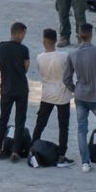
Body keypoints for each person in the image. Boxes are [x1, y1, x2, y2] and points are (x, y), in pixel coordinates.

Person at [63, 22, 96, 173]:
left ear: (79, 35)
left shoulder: (72, 54)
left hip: (80, 95)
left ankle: (85, 162)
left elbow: (66, 78)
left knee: (81, 129)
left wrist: (75, 89)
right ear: (91, 35)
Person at [32, 28, 74, 166]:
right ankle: (62, 154)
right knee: (63, 126)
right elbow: (69, 73)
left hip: (47, 94)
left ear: (44, 41)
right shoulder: (64, 55)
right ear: (55, 41)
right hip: (62, 94)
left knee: (41, 122)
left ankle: (33, 147)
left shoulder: (39, 57)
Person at [0, 22, 31, 161]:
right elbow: (26, 67)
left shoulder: (1, 46)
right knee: (20, 120)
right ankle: (15, 152)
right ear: (19, 33)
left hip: (6, 87)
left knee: (3, 118)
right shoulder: (24, 49)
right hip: (21, 88)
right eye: (23, 34)